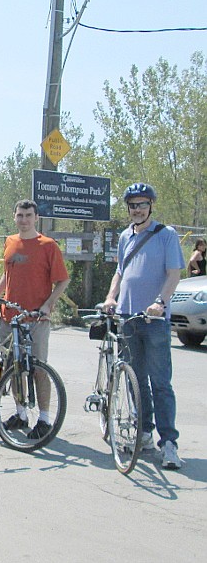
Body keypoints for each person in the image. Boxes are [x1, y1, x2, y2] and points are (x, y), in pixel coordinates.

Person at [103, 182, 184, 470]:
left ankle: (170, 443)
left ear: (151, 206)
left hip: (154, 320)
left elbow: (173, 274)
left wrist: (160, 302)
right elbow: (120, 271)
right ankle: (144, 433)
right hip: (127, 317)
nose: (137, 209)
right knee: (136, 382)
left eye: (142, 204)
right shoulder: (125, 236)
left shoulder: (166, 235)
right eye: (133, 205)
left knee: (160, 383)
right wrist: (111, 297)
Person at [0, 199, 70, 439]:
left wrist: (48, 304)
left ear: (36, 218)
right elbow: (8, 274)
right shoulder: (10, 242)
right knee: (13, 368)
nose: (24, 220)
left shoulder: (48, 245)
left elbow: (62, 280)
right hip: (9, 316)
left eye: (28, 215)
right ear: (14, 217)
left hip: (35, 318)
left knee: (38, 368)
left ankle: (44, 418)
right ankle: (21, 412)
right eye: (20, 215)